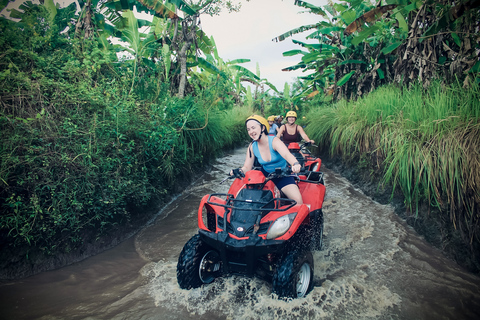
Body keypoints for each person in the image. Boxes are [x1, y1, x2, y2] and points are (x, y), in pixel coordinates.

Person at [231, 115, 303, 204]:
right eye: (248, 129)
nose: (251, 132)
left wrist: (295, 163)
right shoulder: (252, 146)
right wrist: (239, 171)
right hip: (263, 177)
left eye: (253, 128)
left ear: (262, 128)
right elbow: (247, 167)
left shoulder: (274, 141)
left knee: (298, 201)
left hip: (282, 176)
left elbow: (287, 154)